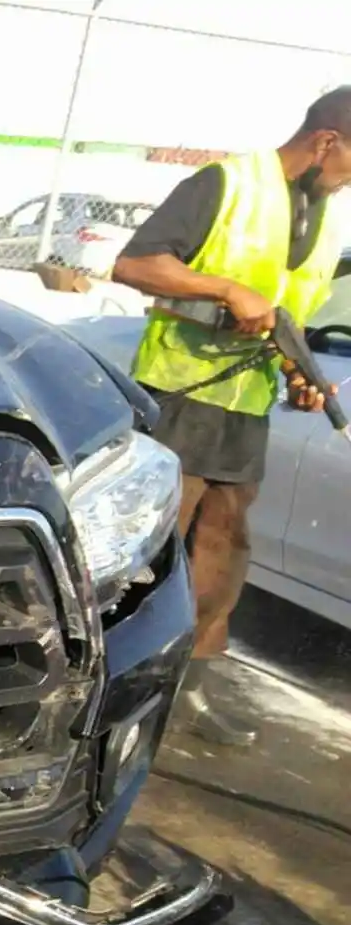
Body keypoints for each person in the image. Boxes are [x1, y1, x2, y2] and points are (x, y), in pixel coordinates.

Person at [113, 88, 351, 745]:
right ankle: (111, 685)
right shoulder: (228, 184)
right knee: (149, 549)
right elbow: (134, 263)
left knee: (223, 552)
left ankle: (189, 695)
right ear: (326, 142)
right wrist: (222, 286)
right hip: (180, 397)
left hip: (246, 407)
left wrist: (301, 375)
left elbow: (288, 310)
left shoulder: (326, 215)